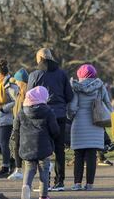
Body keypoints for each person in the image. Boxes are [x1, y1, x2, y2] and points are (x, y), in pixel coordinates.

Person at [27, 48, 73, 191]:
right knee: (60, 149)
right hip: (59, 114)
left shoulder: (34, 75)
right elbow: (70, 96)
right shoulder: (62, 74)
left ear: (40, 58)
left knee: (44, 150)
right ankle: (60, 182)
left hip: (41, 115)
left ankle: (44, 183)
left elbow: (29, 96)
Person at [67, 64, 111, 191]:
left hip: (79, 124)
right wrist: (111, 116)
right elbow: (107, 102)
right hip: (95, 123)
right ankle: (90, 184)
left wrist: (70, 116)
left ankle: (77, 184)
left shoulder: (75, 87)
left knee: (78, 155)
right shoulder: (99, 86)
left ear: (79, 75)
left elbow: (73, 107)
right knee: (92, 155)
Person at [14, 86, 59, 199]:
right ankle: (43, 195)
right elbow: (55, 130)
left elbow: (16, 129)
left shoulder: (21, 112)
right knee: (44, 171)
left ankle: (26, 186)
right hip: (43, 147)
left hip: (26, 146)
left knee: (29, 169)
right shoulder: (48, 111)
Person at [8, 68, 29, 180]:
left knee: (22, 147)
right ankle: (18, 169)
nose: (15, 83)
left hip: (24, 125)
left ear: (20, 81)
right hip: (17, 123)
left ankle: (20, 170)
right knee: (16, 146)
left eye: (16, 81)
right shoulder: (18, 93)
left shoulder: (27, 93)